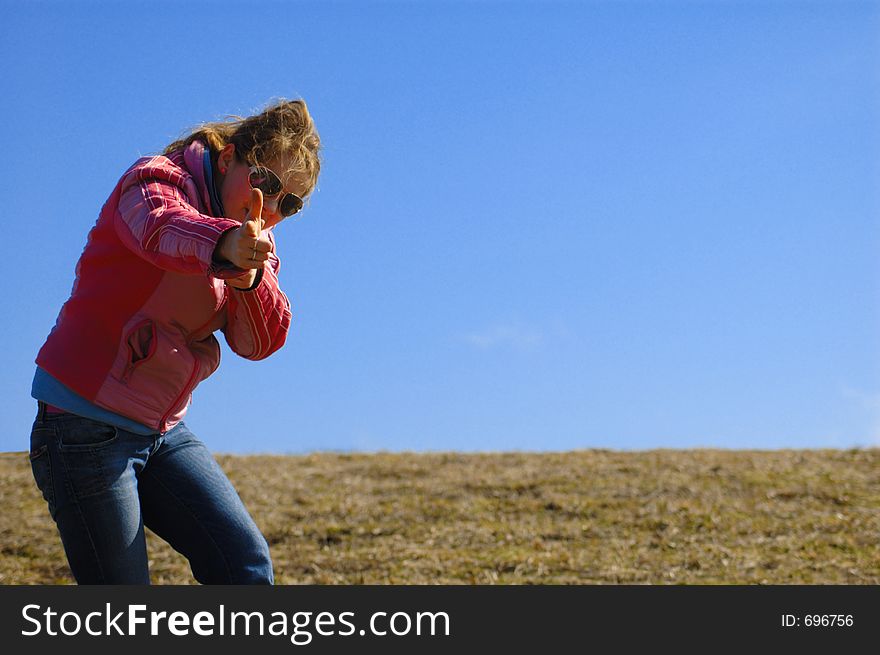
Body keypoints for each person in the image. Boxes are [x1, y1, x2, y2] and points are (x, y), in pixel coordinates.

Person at [27, 98, 321, 584]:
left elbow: (260, 342)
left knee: (244, 566)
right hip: (81, 424)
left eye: (288, 203)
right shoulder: (153, 181)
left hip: (160, 431)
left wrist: (248, 279)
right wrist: (226, 246)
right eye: (267, 183)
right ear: (228, 159)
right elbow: (160, 229)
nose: (271, 209)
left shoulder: (256, 244)